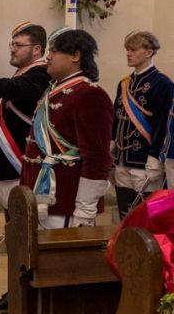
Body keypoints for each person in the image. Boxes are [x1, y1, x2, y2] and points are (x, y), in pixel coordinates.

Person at [0, 22, 49, 314]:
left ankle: (26, 293)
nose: (12, 50)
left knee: (26, 235)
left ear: (37, 50)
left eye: (19, 45)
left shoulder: (39, 74)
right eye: (11, 45)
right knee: (15, 235)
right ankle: (15, 289)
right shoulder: (24, 73)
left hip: (24, 165)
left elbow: (20, 90)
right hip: (8, 161)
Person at [20, 28, 113, 227]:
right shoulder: (53, 90)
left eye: (54, 51)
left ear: (75, 56)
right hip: (41, 194)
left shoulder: (89, 94)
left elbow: (97, 157)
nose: (48, 57)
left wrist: (84, 208)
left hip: (65, 200)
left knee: (59, 258)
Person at [111, 31, 172, 219]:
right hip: (122, 158)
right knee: (124, 214)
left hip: (144, 161)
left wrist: (154, 158)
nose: (128, 54)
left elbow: (163, 124)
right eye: (127, 50)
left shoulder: (162, 84)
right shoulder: (124, 83)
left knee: (144, 218)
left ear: (149, 52)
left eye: (134, 49)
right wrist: (112, 144)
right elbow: (116, 117)